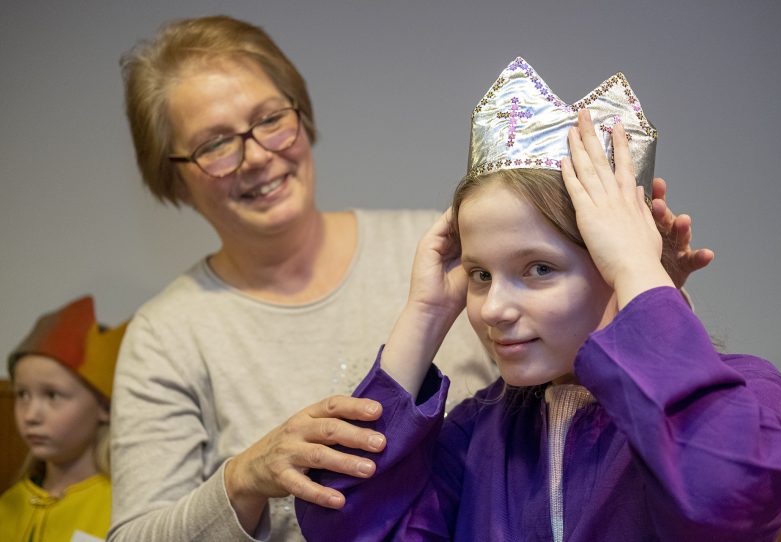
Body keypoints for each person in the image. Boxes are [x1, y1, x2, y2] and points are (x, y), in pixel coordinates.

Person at [110, 17, 711, 542]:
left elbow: (594, 368)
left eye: (271, 119)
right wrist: (244, 476)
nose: (258, 154)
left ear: (302, 117)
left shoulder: (447, 251)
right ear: (173, 177)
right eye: (215, 144)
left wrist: (649, 289)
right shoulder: (167, 335)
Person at [295, 58, 781, 541]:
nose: (493, 309)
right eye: (480, 274)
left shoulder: (753, 392)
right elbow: (344, 524)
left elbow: (727, 500)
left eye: (539, 269)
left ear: (616, 263)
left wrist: (643, 277)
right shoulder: (480, 432)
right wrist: (424, 316)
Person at [0, 296, 128, 542]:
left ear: (103, 405)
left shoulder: (121, 510)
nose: (31, 415)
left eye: (53, 395)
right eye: (22, 395)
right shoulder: (8, 506)